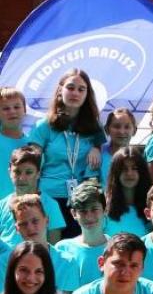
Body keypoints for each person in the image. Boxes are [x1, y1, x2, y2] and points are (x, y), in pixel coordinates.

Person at [26, 69, 104, 235]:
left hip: (81, 200)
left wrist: (97, 148)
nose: (75, 93)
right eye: (70, 87)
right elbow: (32, 162)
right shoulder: (44, 125)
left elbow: (98, 158)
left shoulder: (94, 127)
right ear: (60, 90)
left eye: (81, 89)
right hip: (49, 197)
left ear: (87, 94)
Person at [9, 195, 78, 294]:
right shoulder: (9, 262)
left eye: (35, 221)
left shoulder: (66, 262)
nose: (30, 228)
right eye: (23, 224)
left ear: (47, 220)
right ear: (17, 228)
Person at [0, 146, 66, 246]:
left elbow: (53, 246)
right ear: (9, 171)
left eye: (28, 172)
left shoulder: (51, 205)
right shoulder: (2, 205)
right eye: (17, 172)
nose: (22, 178)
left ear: (38, 174)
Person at [54, 181, 108, 286]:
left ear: (105, 210)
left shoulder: (115, 248)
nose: (89, 216)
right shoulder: (62, 249)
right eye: (83, 211)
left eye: (94, 209)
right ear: (74, 214)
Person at [104, 146, 152, 237]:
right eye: (124, 169)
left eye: (134, 168)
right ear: (115, 173)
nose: (129, 173)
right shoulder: (103, 207)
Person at [0, 87, 28, 199]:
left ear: (25, 110)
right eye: (6, 108)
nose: (12, 111)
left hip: (25, 206)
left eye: (16, 107)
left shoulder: (33, 144)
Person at [98, 107, 136, 188]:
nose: (121, 132)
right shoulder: (98, 154)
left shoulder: (138, 159)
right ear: (106, 130)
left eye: (127, 127)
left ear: (134, 131)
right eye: (116, 126)